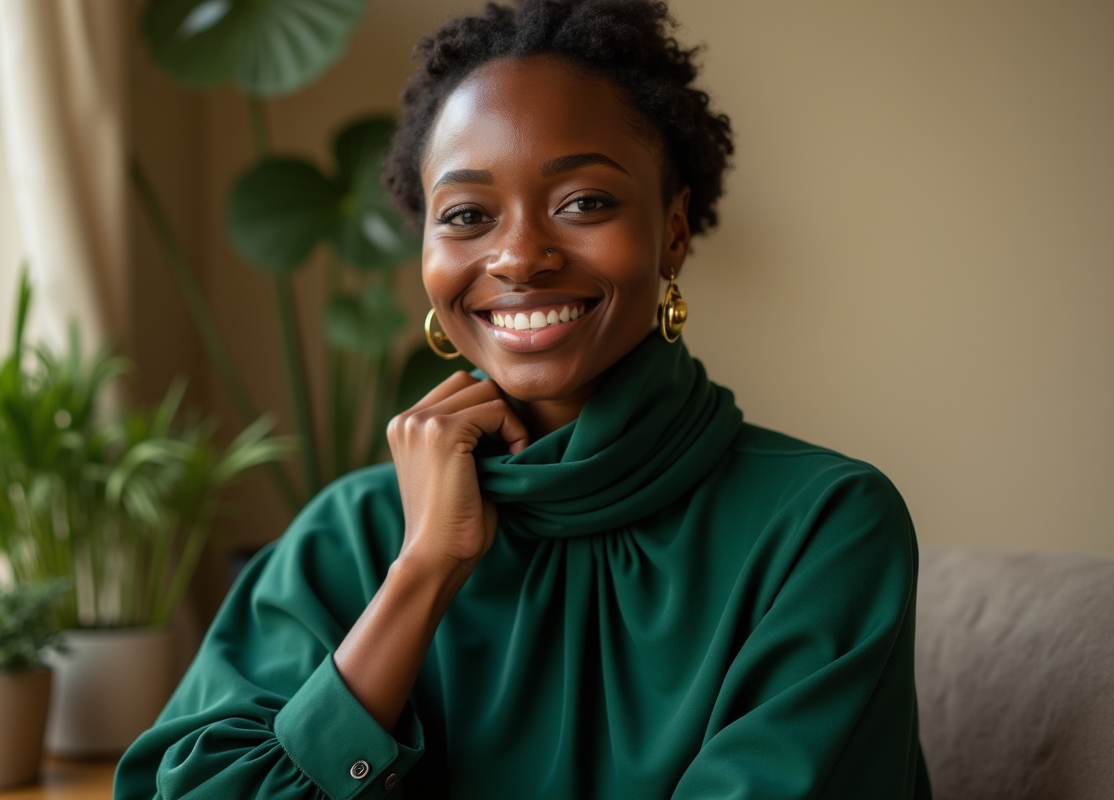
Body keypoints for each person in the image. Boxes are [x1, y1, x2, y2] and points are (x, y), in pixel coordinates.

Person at [114, 1, 932, 798]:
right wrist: (422, 574)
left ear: (673, 231)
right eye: (468, 214)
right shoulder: (352, 534)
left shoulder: (824, 526)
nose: (518, 257)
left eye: (584, 203)